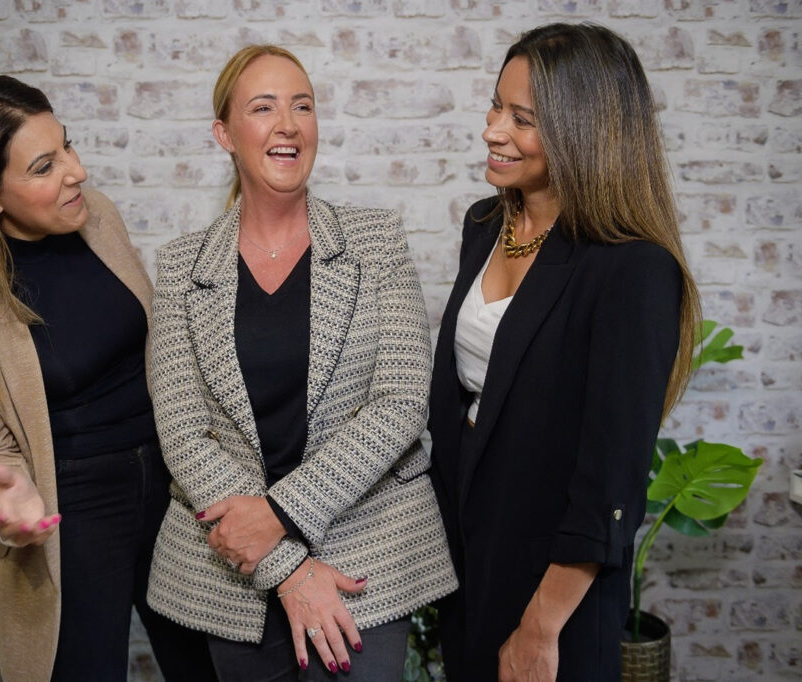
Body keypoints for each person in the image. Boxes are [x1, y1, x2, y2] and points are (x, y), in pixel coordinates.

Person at [0, 74, 215, 682]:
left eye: (68, 145)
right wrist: (3, 496)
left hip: (174, 493)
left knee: (213, 667)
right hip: (72, 519)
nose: (76, 171)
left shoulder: (97, 221)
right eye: (44, 165)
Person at [144, 45, 458, 681]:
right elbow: (182, 431)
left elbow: (401, 403)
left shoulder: (376, 241)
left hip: (363, 559)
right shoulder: (181, 266)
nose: (288, 124)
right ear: (225, 134)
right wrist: (282, 563)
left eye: (302, 106)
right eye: (263, 108)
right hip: (235, 576)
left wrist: (279, 515)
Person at [428, 23, 701, 681]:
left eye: (522, 119)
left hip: (553, 583)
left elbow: (610, 479)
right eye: (497, 105)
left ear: (586, 130)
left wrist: (540, 626)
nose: (493, 129)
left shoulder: (632, 269)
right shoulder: (487, 225)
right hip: (470, 549)